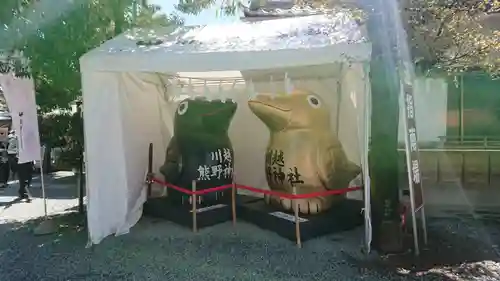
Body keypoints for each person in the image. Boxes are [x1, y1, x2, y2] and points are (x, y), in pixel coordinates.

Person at [7, 130, 32, 200]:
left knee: (27, 176)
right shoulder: (13, 138)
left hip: (25, 158)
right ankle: (23, 192)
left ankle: (24, 191)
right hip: (19, 159)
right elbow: (9, 150)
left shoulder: (26, 137)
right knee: (23, 176)